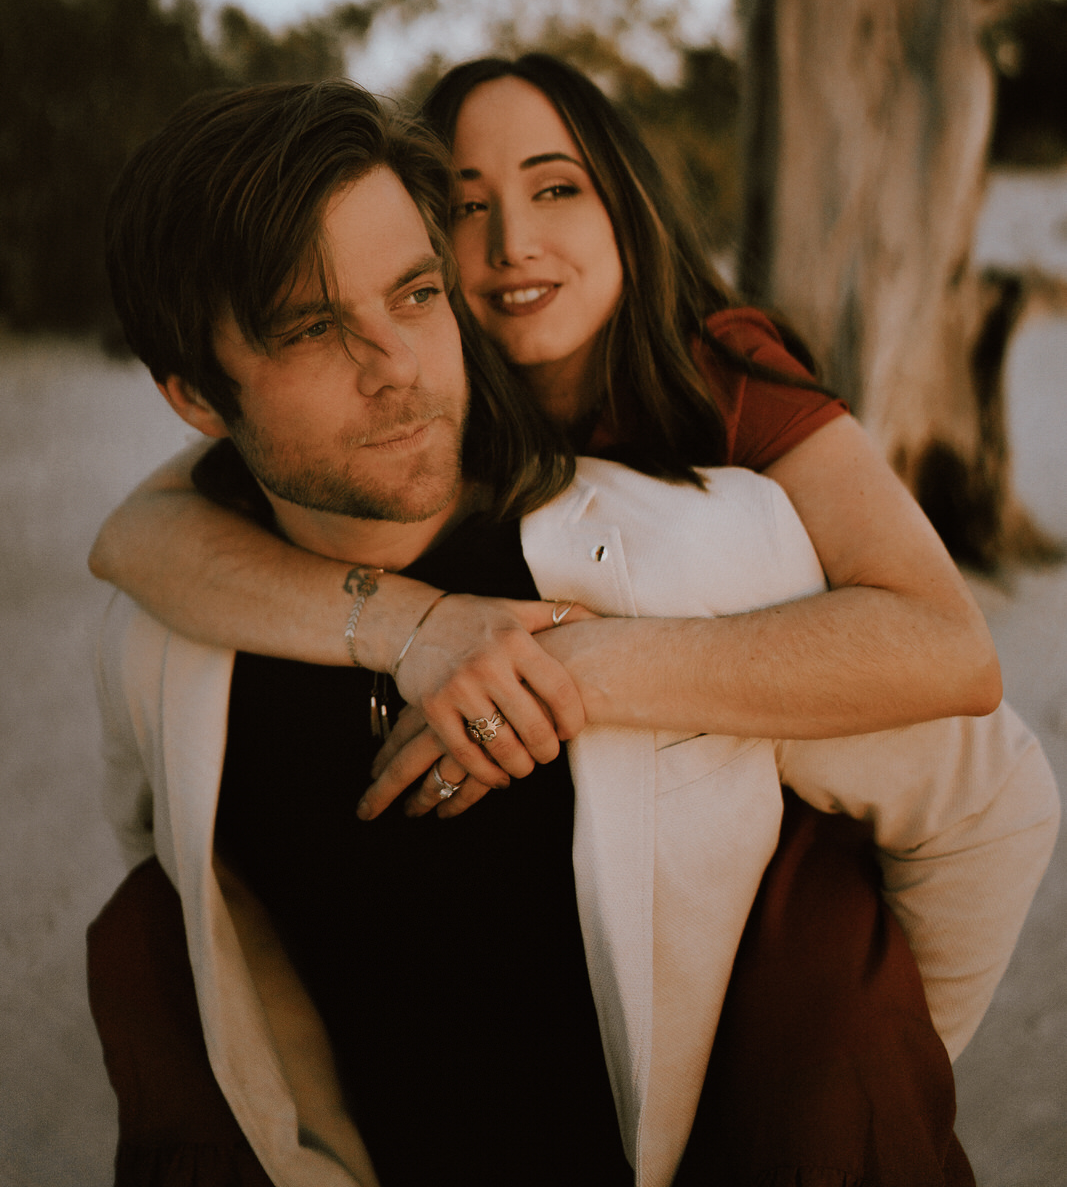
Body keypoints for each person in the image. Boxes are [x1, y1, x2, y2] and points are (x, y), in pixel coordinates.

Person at [91, 79, 1058, 1187]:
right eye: (311, 328)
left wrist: (843, 1087)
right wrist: (411, 628)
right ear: (197, 400)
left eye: (413, 295)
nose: (395, 364)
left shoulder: (704, 541)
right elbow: (186, 881)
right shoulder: (160, 639)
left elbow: (986, 799)